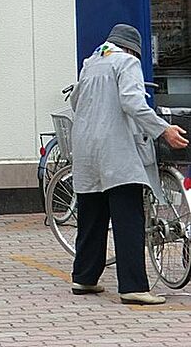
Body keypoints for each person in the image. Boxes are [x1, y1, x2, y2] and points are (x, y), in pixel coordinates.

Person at [69, 23, 188, 306]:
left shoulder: (91, 63)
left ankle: (84, 277)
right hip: (115, 149)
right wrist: (163, 129)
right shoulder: (127, 62)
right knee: (128, 218)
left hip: (86, 148)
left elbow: (75, 101)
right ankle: (133, 286)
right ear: (132, 49)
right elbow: (133, 102)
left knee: (92, 216)